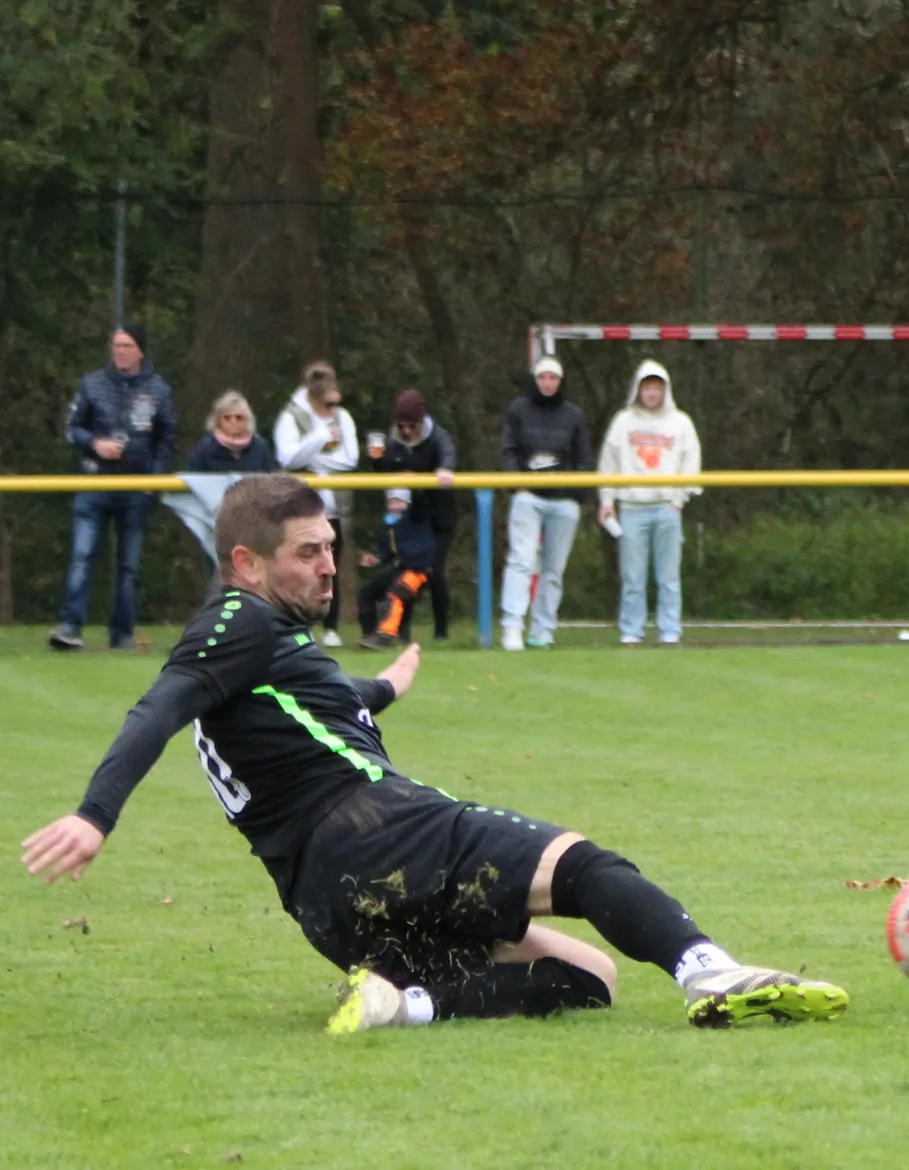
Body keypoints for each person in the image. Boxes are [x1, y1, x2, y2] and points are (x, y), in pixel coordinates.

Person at [20, 474, 848, 1034]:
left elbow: (318, 703)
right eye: (306, 552)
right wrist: (95, 815)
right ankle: (709, 972)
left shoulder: (257, 649)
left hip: (326, 902)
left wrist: (384, 688)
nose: (329, 567)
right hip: (379, 831)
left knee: (590, 976)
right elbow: (158, 707)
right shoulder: (235, 621)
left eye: (330, 547)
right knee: (584, 867)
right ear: (246, 563)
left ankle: (403, 1006)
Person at [49, 325, 179, 652]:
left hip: (135, 488)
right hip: (94, 482)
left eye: (127, 345)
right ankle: (70, 628)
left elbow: (166, 440)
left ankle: (121, 634)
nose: (120, 351)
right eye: (116, 345)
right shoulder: (91, 384)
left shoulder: (159, 390)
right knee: (82, 555)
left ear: (140, 351)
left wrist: (153, 480)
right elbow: (72, 428)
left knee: (129, 566)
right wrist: (95, 444)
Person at [598, 361, 702, 646]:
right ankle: (632, 628)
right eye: (647, 387)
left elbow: (691, 462)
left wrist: (678, 500)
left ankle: (670, 629)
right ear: (638, 389)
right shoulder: (623, 421)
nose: (651, 393)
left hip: (666, 506)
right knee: (632, 576)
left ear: (664, 390)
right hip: (632, 507)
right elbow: (608, 462)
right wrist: (607, 499)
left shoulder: (680, 423)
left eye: (656, 388)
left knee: (668, 576)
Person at [499, 357, 592, 651]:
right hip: (529, 497)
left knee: (553, 569)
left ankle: (542, 630)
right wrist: (517, 484)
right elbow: (508, 450)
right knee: (521, 561)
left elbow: (584, 459)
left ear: (560, 381)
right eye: (543, 377)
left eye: (553, 378)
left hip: (563, 501)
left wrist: (575, 493)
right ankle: (512, 625)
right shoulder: (518, 410)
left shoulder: (574, 415)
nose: (548, 383)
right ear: (534, 380)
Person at [273, 361, 358, 647]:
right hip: (299, 507)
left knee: (329, 567)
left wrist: (313, 462)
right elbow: (288, 458)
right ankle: (298, 625)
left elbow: (350, 459)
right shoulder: (291, 416)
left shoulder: (343, 417)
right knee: (297, 566)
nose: (333, 408)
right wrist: (320, 438)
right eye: (327, 402)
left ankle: (331, 628)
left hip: (334, 509)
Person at [371, 389, 457, 641]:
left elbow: (448, 455)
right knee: (405, 573)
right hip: (411, 520)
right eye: (402, 426)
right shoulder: (392, 440)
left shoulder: (438, 436)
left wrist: (444, 470)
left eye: (412, 425)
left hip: (438, 516)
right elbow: (384, 473)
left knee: (434, 572)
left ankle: (441, 632)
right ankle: (402, 632)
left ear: (422, 421)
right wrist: (376, 460)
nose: (406, 431)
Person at [358, 489, 436, 650]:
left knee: (396, 594)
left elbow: (420, 500)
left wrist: (415, 485)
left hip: (418, 570)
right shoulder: (389, 525)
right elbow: (387, 554)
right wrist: (376, 559)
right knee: (366, 592)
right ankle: (369, 635)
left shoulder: (416, 517)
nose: (394, 506)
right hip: (400, 569)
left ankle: (385, 635)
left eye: (398, 502)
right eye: (391, 502)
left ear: (408, 503)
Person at [186, 392, 278, 473]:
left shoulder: (260, 447)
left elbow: (273, 477)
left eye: (239, 417)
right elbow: (192, 478)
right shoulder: (205, 448)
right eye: (227, 418)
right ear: (218, 421)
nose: (233, 421)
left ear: (247, 420)